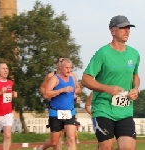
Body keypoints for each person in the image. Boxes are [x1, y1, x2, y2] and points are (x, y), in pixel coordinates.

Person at [81, 15, 140, 150]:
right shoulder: (102, 53)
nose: (127, 31)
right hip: (103, 108)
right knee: (106, 147)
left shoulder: (134, 54)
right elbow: (85, 79)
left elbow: (135, 76)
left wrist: (136, 88)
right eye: (123, 28)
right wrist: (107, 88)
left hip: (125, 111)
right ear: (112, 31)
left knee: (128, 148)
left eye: (128, 28)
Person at [40, 56, 81, 150]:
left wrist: (75, 98)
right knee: (54, 141)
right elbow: (46, 94)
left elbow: (73, 91)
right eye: (66, 68)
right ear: (60, 67)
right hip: (56, 112)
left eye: (70, 68)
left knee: (71, 138)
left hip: (70, 112)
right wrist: (61, 90)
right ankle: (43, 147)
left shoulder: (72, 78)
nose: (68, 70)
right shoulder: (54, 78)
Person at [0, 63, 17, 150]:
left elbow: (8, 97)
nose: (6, 70)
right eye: (3, 69)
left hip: (7, 113)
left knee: (7, 135)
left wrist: (13, 95)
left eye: (7, 69)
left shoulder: (10, 82)